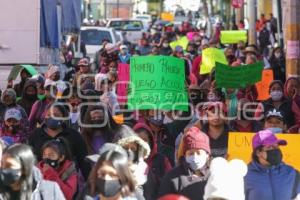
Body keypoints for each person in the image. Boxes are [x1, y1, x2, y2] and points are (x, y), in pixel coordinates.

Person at [28, 103, 90, 180]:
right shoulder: (35, 134)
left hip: (68, 180)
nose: (52, 117)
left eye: (56, 115)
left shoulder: (74, 135)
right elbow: (29, 159)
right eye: (48, 114)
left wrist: (89, 182)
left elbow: (83, 161)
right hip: (42, 179)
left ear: (63, 117)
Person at [244, 129, 300, 200]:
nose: (276, 150)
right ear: (258, 152)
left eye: (277, 147)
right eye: (270, 147)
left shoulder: (292, 173)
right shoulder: (245, 175)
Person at [159, 127, 210, 200]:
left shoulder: (215, 176)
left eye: (199, 153)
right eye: (191, 153)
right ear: (185, 155)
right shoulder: (172, 178)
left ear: (207, 155)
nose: (195, 157)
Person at [0, 144, 65, 200]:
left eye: (9, 165)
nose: (3, 169)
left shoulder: (50, 190)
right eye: (2, 164)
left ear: (24, 169)